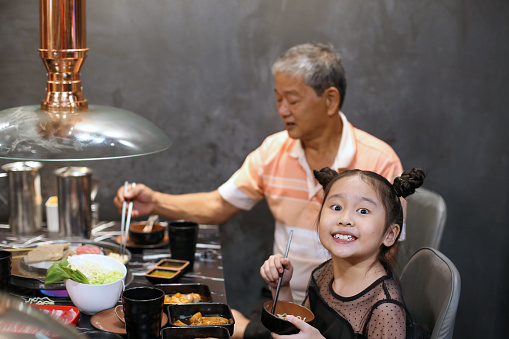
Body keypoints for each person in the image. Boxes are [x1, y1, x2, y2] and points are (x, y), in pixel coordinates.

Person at [113, 42, 404, 338]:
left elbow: (389, 256)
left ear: (330, 100)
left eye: (293, 100)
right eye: (278, 99)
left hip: (346, 316)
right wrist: (155, 202)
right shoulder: (273, 151)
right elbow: (218, 205)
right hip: (282, 297)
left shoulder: (379, 161)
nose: (282, 110)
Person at [261, 167, 426, 338]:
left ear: (389, 234)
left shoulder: (385, 307)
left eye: (363, 211)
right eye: (336, 207)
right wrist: (281, 285)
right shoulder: (324, 272)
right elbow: (298, 327)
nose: (345, 219)